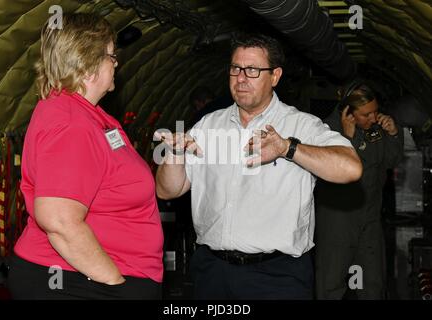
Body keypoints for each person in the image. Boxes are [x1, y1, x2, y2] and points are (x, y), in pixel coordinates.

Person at [154, 32, 363, 300]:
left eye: (252, 70)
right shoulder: (208, 125)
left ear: (275, 76)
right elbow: (167, 191)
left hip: (277, 277)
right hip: (212, 272)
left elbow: (351, 168)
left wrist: (287, 148)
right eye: (235, 69)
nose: (241, 78)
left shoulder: (300, 125)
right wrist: (175, 153)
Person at [7, 13, 163, 300]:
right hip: (76, 283)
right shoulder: (72, 123)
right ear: (89, 65)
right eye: (111, 57)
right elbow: (60, 221)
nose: (116, 64)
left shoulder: (88, 115)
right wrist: (114, 283)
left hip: (83, 278)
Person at [314, 81, 404, 299]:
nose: (373, 118)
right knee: (332, 283)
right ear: (348, 113)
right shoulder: (326, 132)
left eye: (375, 112)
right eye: (366, 114)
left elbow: (391, 160)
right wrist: (347, 139)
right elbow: (339, 171)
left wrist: (393, 134)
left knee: (371, 282)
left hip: (369, 218)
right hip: (338, 221)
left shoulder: (376, 130)